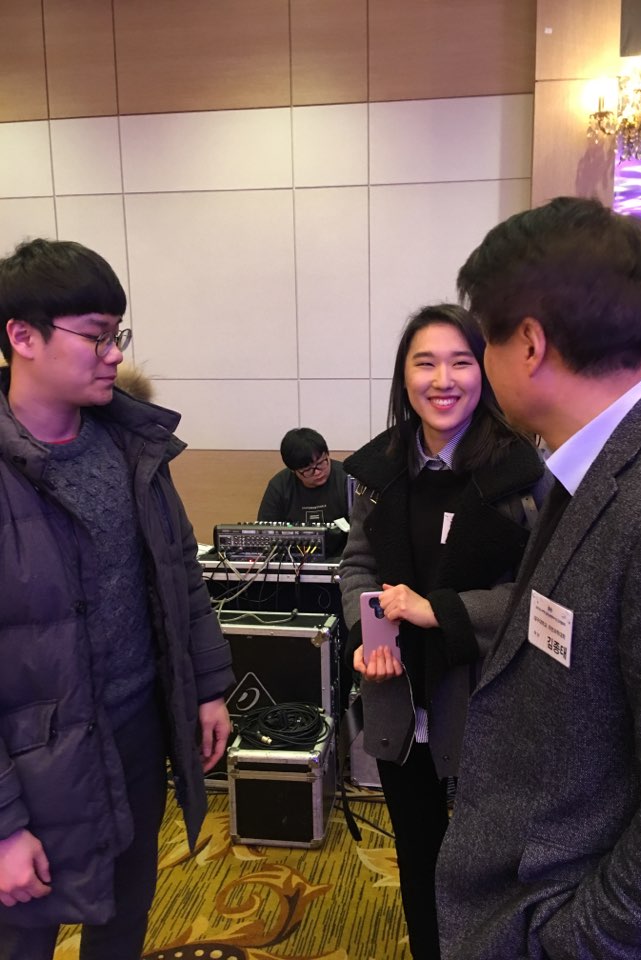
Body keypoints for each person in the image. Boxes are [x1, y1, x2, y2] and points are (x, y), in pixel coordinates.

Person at [435, 196, 641, 960]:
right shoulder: (597, 462)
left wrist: (570, 943)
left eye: (483, 343)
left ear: (529, 344)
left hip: (571, 917)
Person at [0, 238, 234, 960]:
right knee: (23, 935)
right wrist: (3, 825)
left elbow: (179, 572)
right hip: (30, 755)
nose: (113, 355)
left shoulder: (131, 446)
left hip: (136, 729)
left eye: (117, 336)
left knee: (126, 917)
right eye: (97, 336)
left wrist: (207, 687)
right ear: (22, 337)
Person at [339, 303, 547, 960]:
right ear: (404, 376)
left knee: (495, 868)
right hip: (400, 699)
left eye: (460, 362)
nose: (442, 379)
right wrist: (369, 633)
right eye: (424, 363)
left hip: (489, 705)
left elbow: (543, 596)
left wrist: (440, 611)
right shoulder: (379, 471)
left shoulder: (523, 474)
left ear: (484, 371)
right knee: (418, 856)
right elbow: (358, 566)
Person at [258, 427, 349, 555]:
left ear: (327, 454)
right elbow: (265, 533)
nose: (317, 472)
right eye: (308, 470)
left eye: (321, 463)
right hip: (292, 559)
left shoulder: (347, 479)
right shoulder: (279, 486)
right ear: (294, 471)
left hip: (343, 559)